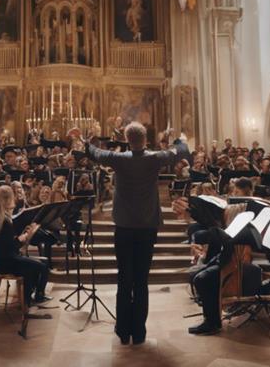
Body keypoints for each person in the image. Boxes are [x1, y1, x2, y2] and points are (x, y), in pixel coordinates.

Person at [76, 123, 188, 345]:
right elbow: (181, 151)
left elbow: (95, 153)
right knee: (141, 280)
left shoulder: (119, 159)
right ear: (145, 138)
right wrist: (179, 139)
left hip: (124, 227)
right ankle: (139, 332)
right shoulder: (155, 158)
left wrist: (83, 139)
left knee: (124, 279)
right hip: (146, 227)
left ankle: (123, 330)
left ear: (127, 139)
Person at [0, 185, 50, 305]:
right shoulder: (5, 221)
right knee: (41, 267)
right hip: (8, 261)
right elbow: (13, 246)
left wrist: (20, 237)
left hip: (1, 259)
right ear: (6, 200)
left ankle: (30, 296)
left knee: (42, 262)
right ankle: (34, 297)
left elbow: (5, 243)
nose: (14, 199)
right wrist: (25, 237)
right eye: (12, 197)